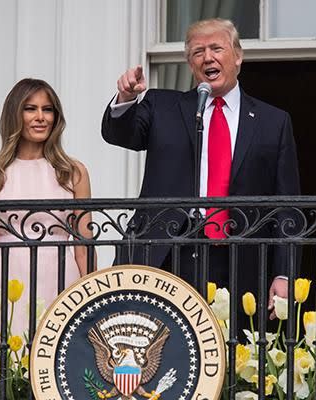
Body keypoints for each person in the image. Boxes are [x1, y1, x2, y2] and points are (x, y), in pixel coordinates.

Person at [101, 18, 300, 319]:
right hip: (167, 254)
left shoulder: (273, 122)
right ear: (190, 63)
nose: (208, 57)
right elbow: (120, 134)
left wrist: (284, 274)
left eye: (217, 48)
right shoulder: (161, 106)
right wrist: (126, 98)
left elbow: (287, 205)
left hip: (238, 258)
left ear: (238, 56)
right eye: (198, 51)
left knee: (233, 355)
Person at [0, 78, 94, 336]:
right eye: (30, 108)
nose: (41, 117)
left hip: (60, 275)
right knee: (3, 362)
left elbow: (84, 246)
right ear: (15, 114)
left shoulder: (74, 172)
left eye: (47, 109)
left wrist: (91, 299)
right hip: (4, 275)